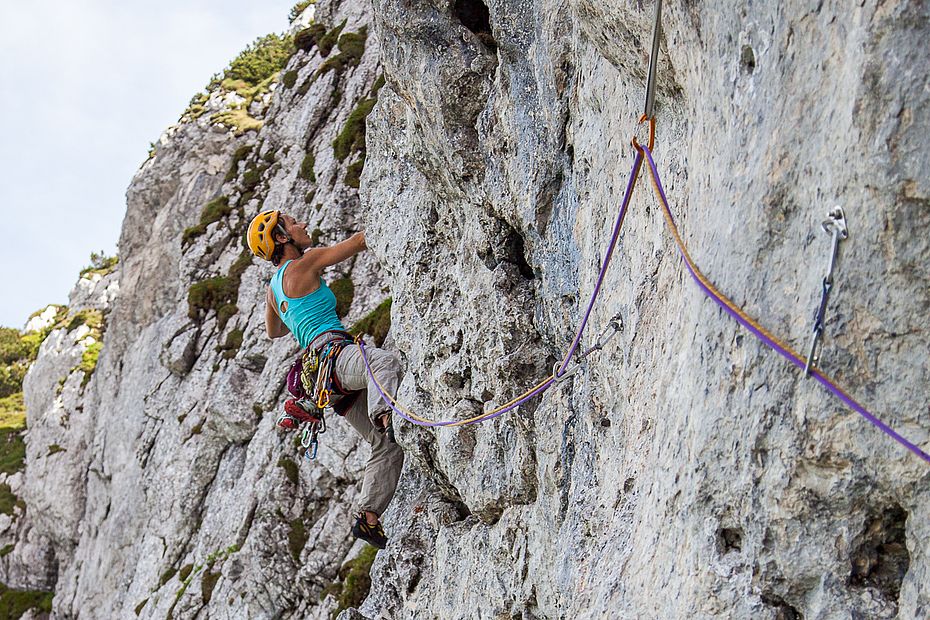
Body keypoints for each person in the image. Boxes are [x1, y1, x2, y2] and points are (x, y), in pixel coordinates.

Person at [247, 209, 404, 549]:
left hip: (321, 380)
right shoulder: (306, 262)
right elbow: (359, 242)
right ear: (282, 237)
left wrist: (288, 308)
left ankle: (368, 515)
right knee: (383, 363)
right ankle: (385, 413)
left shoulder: (274, 290)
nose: (302, 224)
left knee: (385, 445)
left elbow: (273, 331)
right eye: (292, 223)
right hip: (334, 357)